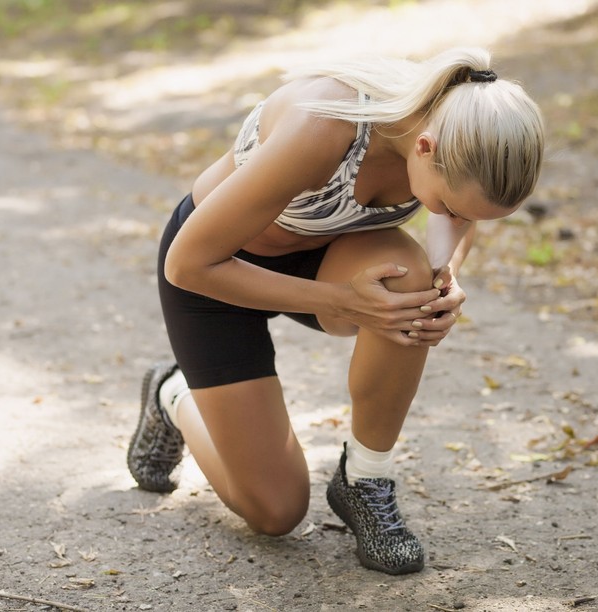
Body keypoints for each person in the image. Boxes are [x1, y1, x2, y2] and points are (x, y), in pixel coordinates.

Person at [127, 46, 544, 575]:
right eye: (450, 207)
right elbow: (186, 264)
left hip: (327, 258)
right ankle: (174, 394)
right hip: (216, 268)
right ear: (424, 148)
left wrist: (447, 278)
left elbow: (459, 218)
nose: (456, 218)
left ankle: (365, 480)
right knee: (275, 512)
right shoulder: (324, 127)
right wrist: (342, 301)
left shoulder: (455, 135)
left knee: (412, 288)